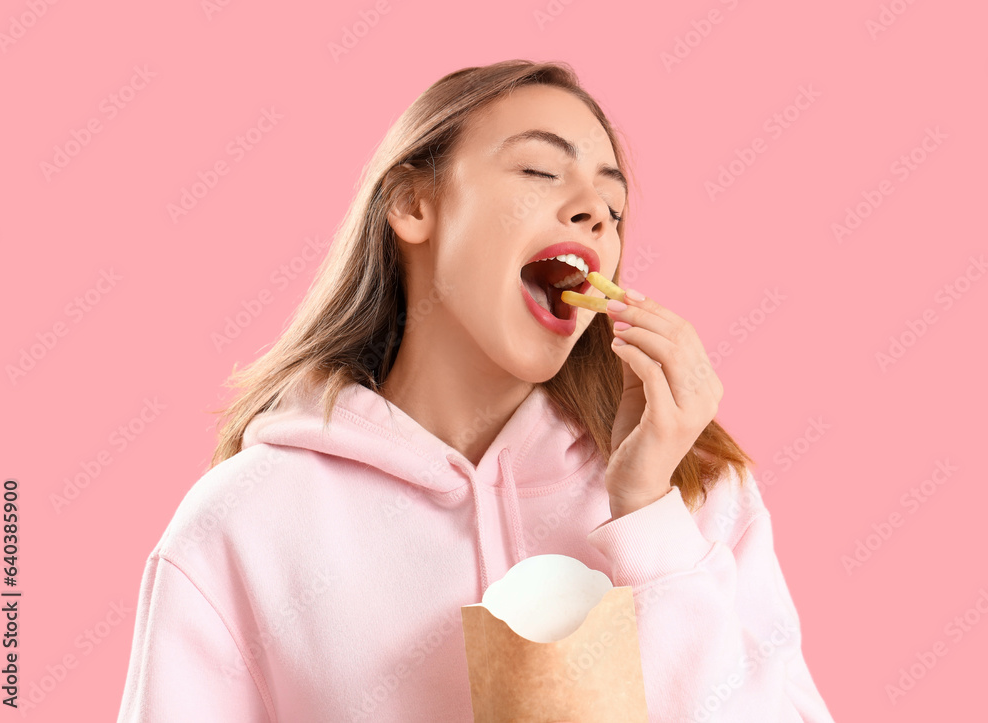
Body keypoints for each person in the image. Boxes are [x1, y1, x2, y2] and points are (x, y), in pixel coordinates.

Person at [116, 59, 837, 722]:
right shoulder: (244, 525)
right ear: (412, 206)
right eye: (539, 171)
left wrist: (650, 521)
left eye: (613, 211)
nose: (595, 213)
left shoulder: (697, 492)